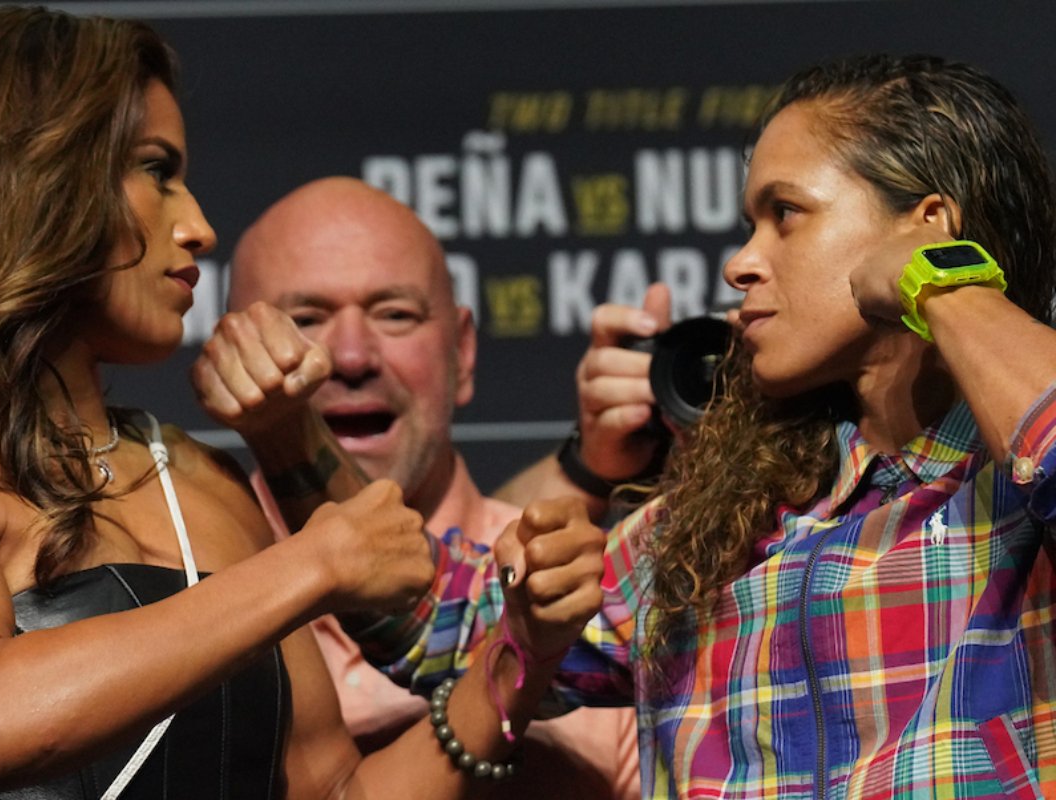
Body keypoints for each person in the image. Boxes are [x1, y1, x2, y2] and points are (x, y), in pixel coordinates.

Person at [0, 7, 605, 798]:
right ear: (31, 179)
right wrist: (314, 565)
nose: (200, 227)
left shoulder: (199, 479)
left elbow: (336, 792)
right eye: (156, 170)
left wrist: (519, 653)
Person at [360, 53, 1056, 798]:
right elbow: (455, 623)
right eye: (750, 225)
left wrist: (942, 282)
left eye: (785, 214)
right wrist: (289, 434)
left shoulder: (1012, 497)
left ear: (928, 226)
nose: (740, 264)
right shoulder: (728, 519)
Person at [227, 176, 642, 799]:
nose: (351, 356)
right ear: (230, 350)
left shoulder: (590, 592)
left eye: (395, 315)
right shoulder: (181, 593)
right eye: (304, 319)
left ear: (463, 352)